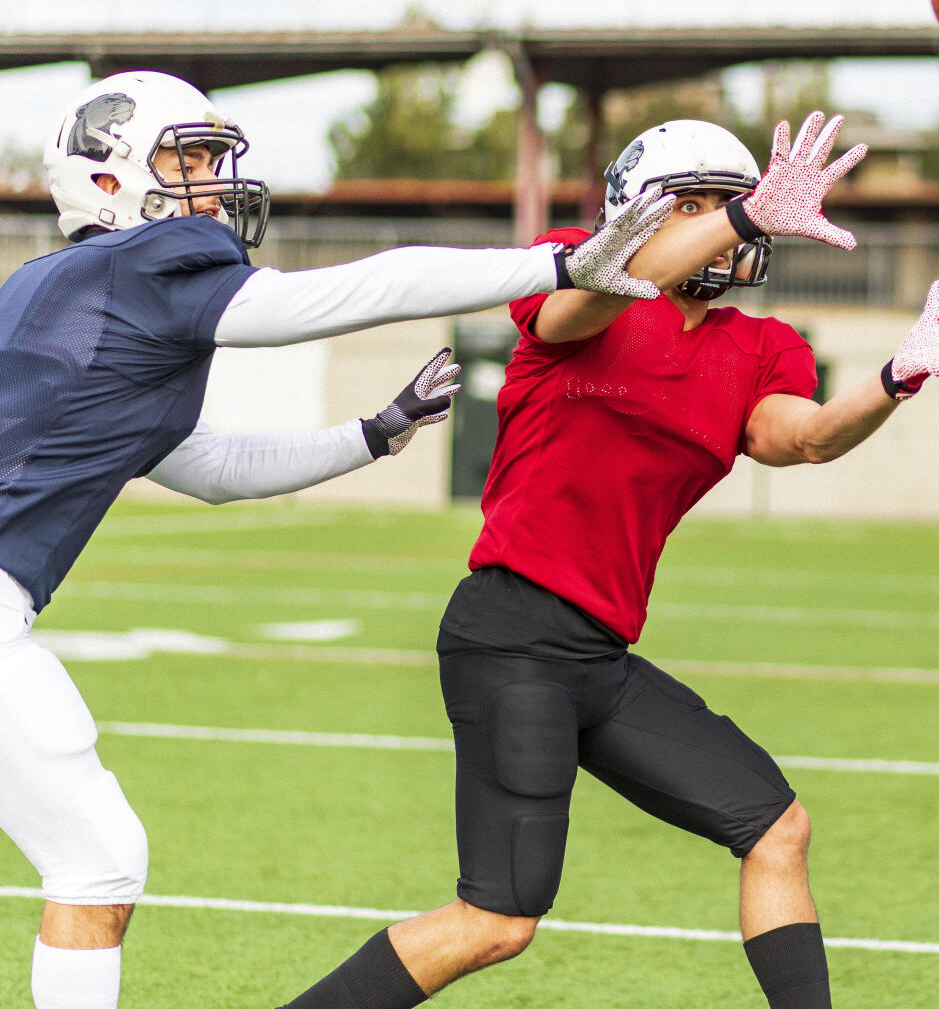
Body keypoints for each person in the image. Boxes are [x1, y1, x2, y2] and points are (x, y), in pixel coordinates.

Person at [277, 113, 939, 1009]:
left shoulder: (758, 347)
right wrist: (741, 219)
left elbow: (805, 439)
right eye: (694, 205)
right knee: (497, 920)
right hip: (512, 636)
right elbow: (580, 298)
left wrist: (892, 381)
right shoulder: (575, 273)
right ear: (639, 211)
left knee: (776, 828)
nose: (724, 222)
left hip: (598, 656)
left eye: (731, 205)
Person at [0, 68, 676, 1009]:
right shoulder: (138, 271)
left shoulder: (56, 287)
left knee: (93, 856)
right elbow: (354, 292)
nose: (210, 181)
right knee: (98, 860)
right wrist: (554, 266)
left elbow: (207, 466)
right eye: (186, 158)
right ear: (107, 180)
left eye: (208, 157)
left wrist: (372, 433)